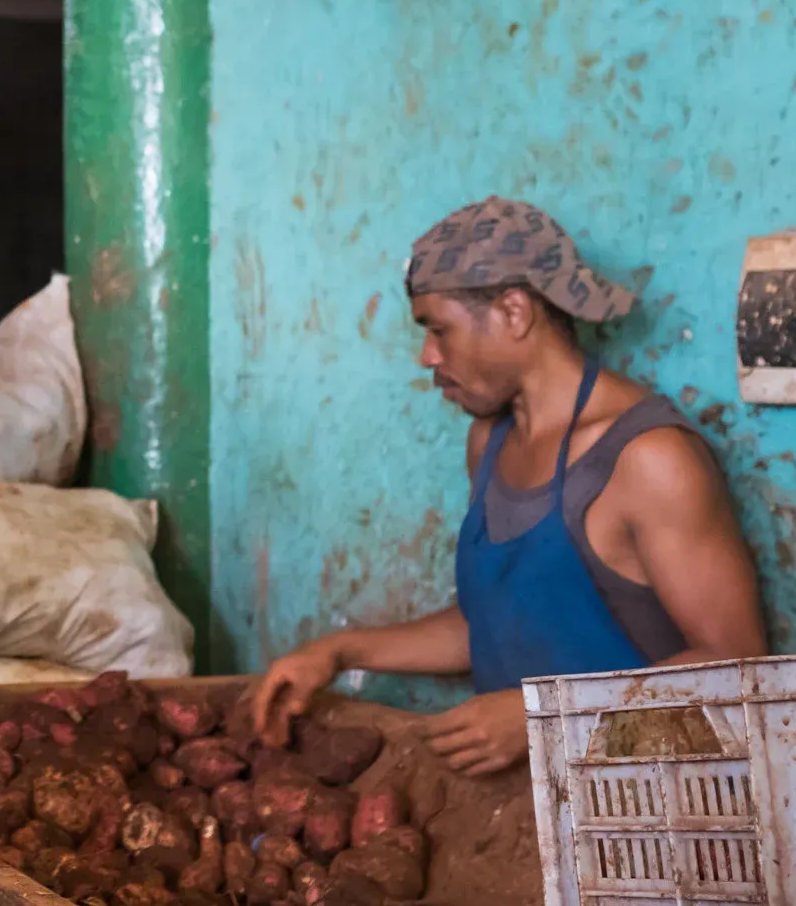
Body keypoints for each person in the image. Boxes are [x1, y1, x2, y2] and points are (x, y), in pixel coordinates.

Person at [251, 197, 767, 777]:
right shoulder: (490, 443)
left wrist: (543, 720)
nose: (427, 356)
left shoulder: (647, 459)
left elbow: (737, 668)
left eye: (438, 329)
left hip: (654, 809)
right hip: (535, 811)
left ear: (514, 312)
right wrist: (338, 651)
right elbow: (498, 624)